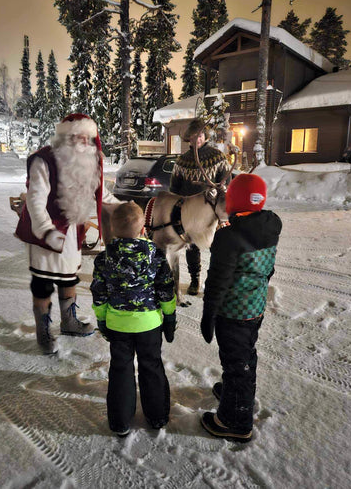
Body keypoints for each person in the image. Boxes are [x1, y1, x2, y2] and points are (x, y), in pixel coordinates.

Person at [16, 113, 110, 355]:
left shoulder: (87, 161)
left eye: (86, 137)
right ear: (64, 136)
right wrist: (46, 231)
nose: (82, 142)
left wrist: (124, 206)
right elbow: (35, 201)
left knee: (69, 278)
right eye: (76, 136)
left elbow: (101, 192)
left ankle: (69, 322)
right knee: (43, 282)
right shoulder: (43, 160)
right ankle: (43, 332)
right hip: (45, 232)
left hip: (72, 232)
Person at [200, 173, 282, 443]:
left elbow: (217, 283)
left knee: (237, 364)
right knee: (245, 356)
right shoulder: (271, 225)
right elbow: (267, 269)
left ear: (234, 201)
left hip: (233, 313)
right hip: (255, 308)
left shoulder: (228, 237)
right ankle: (238, 396)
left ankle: (235, 421)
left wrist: (208, 315)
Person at [90, 201, 176, 437]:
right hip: (149, 325)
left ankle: (120, 421)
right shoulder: (155, 254)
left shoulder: (105, 257)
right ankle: (157, 416)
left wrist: (102, 319)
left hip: (118, 325)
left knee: (121, 369)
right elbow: (165, 288)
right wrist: (169, 316)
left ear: (113, 228)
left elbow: (99, 292)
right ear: (141, 229)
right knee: (152, 366)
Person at [170, 119, 231, 296]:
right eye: (194, 136)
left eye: (201, 135)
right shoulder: (181, 161)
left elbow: (226, 182)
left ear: (205, 137)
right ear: (188, 138)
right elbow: (174, 188)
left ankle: (215, 281)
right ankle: (195, 280)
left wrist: (219, 193)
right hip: (190, 212)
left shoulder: (217, 157)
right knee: (192, 246)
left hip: (213, 211)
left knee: (217, 247)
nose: (197, 139)